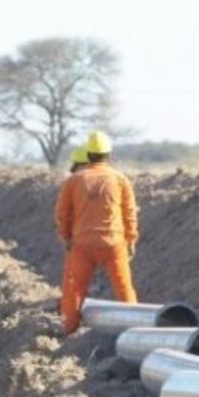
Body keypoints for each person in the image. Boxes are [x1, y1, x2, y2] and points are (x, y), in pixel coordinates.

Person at [55, 131, 139, 335]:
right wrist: (130, 240)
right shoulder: (120, 180)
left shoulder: (74, 180)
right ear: (108, 155)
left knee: (73, 292)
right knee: (124, 289)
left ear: (88, 154)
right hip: (113, 243)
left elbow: (62, 213)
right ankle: (136, 329)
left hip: (82, 245)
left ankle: (68, 331)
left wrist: (66, 237)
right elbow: (129, 214)